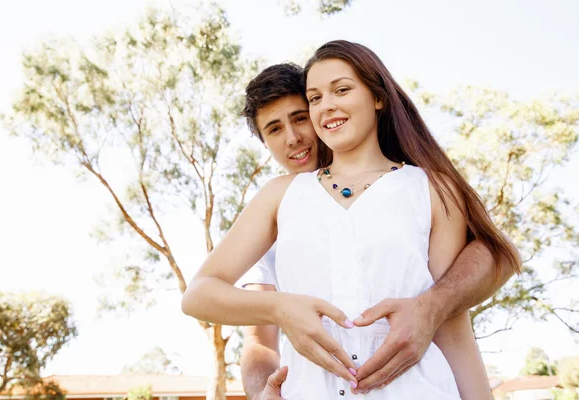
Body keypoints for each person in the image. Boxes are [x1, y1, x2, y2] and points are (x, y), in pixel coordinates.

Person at [182, 40, 521, 399]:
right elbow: (204, 299)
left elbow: (452, 328)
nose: (326, 106)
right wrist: (281, 309)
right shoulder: (280, 196)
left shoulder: (431, 189)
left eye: (341, 90)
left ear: (378, 97)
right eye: (314, 99)